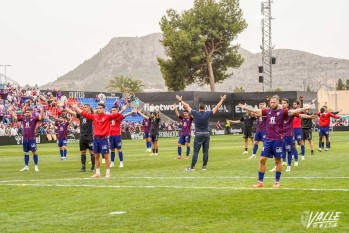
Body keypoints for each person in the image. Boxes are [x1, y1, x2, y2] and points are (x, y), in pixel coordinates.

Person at [239, 95, 310, 188]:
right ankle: (260, 182)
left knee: (277, 161)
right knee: (262, 159)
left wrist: (304, 108)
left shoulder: (283, 112)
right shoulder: (267, 111)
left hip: (278, 140)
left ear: (278, 103)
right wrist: (246, 107)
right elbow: (256, 110)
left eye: (274, 102)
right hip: (268, 140)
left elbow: (293, 112)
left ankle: (277, 182)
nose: (272, 104)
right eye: (271, 102)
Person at [72, 103, 127, 178]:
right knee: (96, 156)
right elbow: (84, 114)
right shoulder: (94, 116)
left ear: (103, 109)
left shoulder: (107, 116)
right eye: (98, 108)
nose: (99, 109)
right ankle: (97, 173)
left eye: (100, 108)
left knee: (106, 156)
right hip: (96, 139)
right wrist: (76, 108)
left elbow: (116, 115)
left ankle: (108, 172)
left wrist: (123, 109)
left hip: (104, 139)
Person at [176, 94, 226, 171]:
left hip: (198, 134)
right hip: (206, 134)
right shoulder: (208, 113)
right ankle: (204, 167)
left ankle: (192, 167)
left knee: (196, 151)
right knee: (205, 151)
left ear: (199, 108)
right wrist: (222, 100)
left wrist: (180, 101)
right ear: (205, 108)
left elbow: (187, 106)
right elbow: (217, 107)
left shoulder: (195, 113)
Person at [8, 105, 44, 172]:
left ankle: (36, 166)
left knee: (34, 152)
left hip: (32, 138)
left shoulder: (34, 119)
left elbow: (41, 117)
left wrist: (42, 111)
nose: (26, 113)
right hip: (25, 139)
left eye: (28, 112)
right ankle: (26, 166)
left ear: (31, 112)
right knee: (26, 152)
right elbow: (15, 117)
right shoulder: (23, 118)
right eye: (26, 112)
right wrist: (11, 110)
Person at [66, 104, 95, 172]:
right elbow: (71, 112)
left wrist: (76, 107)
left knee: (92, 152)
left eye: (85, 107)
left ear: (89, 108)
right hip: (82, 137)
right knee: (83, 152)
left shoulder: (91, 115)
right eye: (83, 107)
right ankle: (83, 167)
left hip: (89, 136)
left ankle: (93, 167)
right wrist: (64, 106)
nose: (84, 108)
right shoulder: (81, 115)